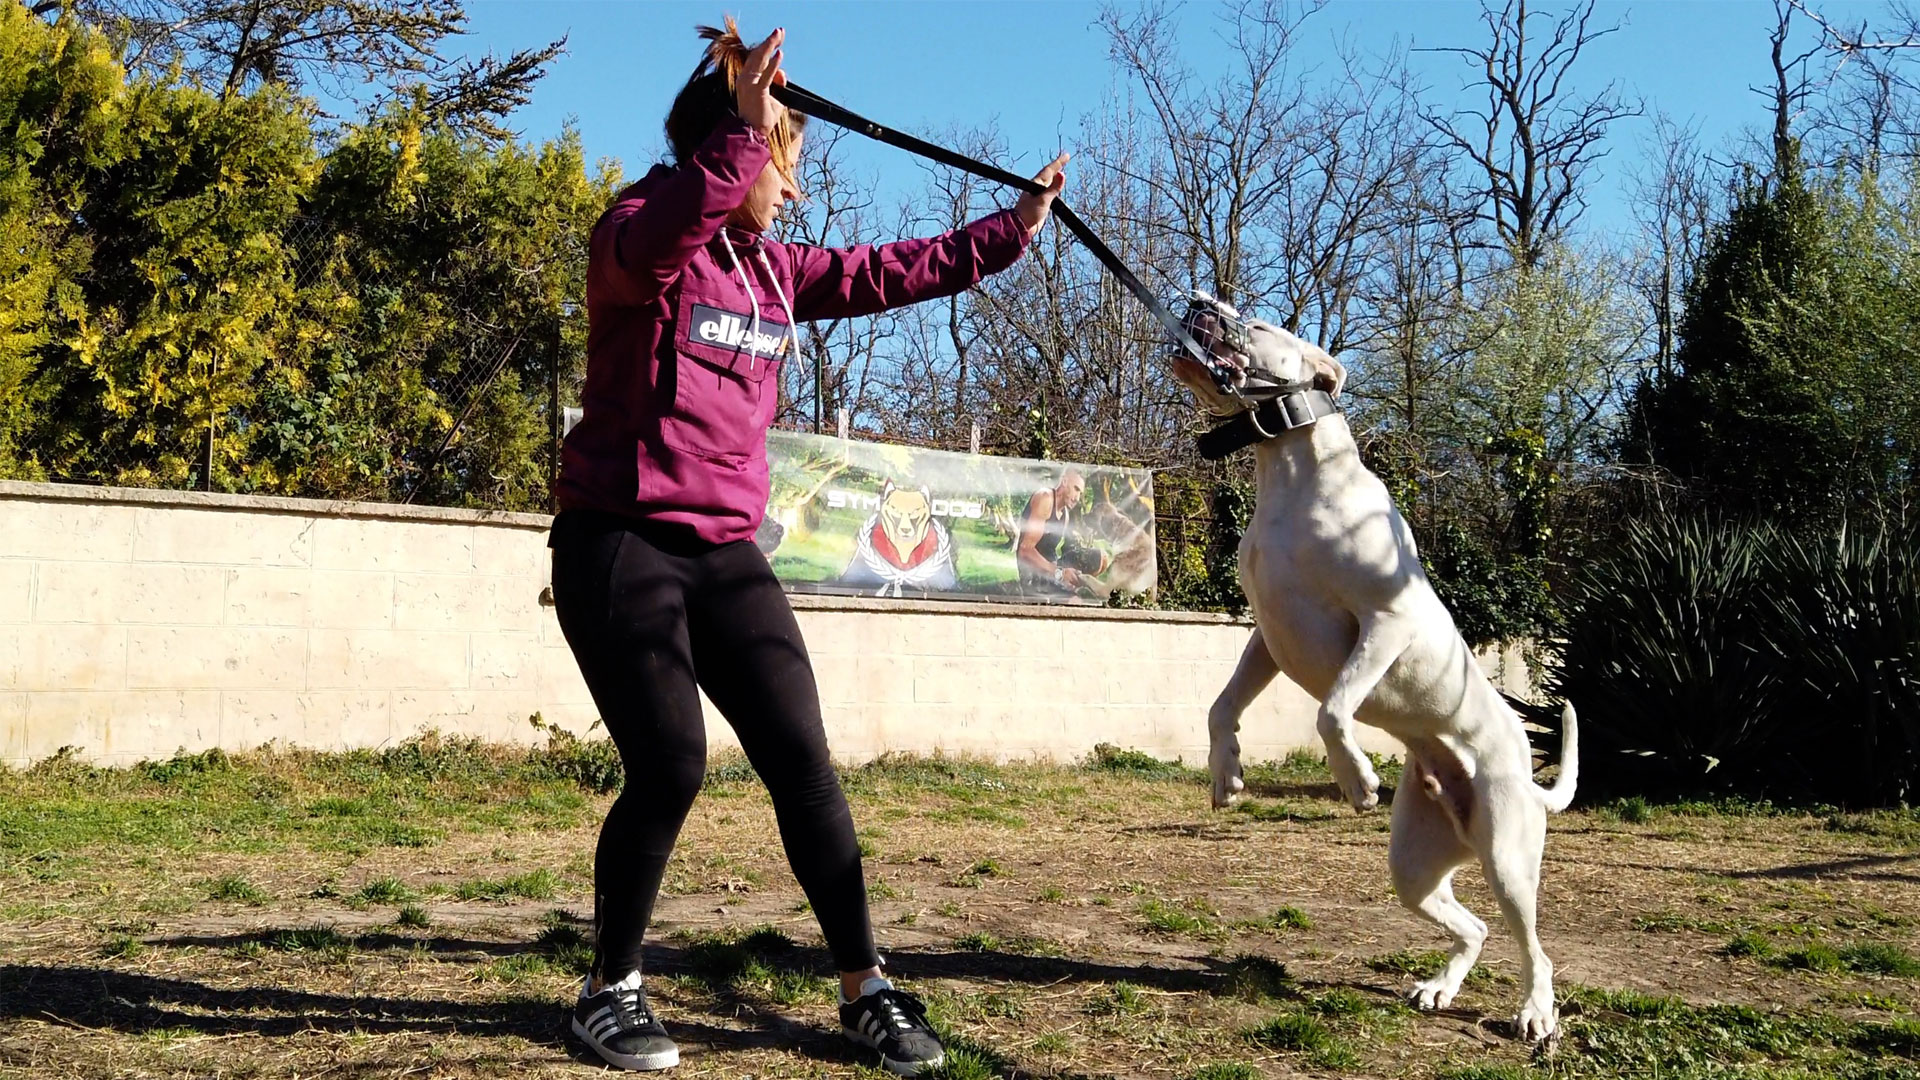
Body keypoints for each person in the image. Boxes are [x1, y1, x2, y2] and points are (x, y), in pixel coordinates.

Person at [546, 19, 1067, 1076]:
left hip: (726, 552)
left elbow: (890, 271)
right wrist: (744, 133)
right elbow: (661, 241)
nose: (792, 184)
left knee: (802, 759)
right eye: (783, 159)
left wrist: (1012, 228)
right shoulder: (635, 232)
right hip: (619, 541)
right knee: (671, 762)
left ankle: (866, 987)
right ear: (728, 154)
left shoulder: (777, 271)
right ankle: (610, 989)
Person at [1014, 468, 1107, 597]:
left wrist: (1068, 577)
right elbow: (1025, 550)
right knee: (1076, 601)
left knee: (1100, 558)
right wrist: (1060, 573)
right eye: (1076, 489)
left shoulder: (1065, 516)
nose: (1077, 498)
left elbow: (1052, 554)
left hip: (1051, 571)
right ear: (1064, 482)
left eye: (1080, 493)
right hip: (1033, 573)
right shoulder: (1045, 498)